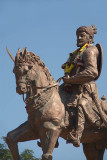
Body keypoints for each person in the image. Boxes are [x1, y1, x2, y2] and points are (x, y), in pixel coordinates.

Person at [61, 25, 103, 147]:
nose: (79, 38)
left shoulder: (90, 50)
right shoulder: (76, 53)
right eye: (78, 36)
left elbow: (92, 72)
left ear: (90, 37)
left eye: (82, 36)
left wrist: (71, 80)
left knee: (81, 104)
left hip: (85, 89)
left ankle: (77, 135)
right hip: (71, 86)